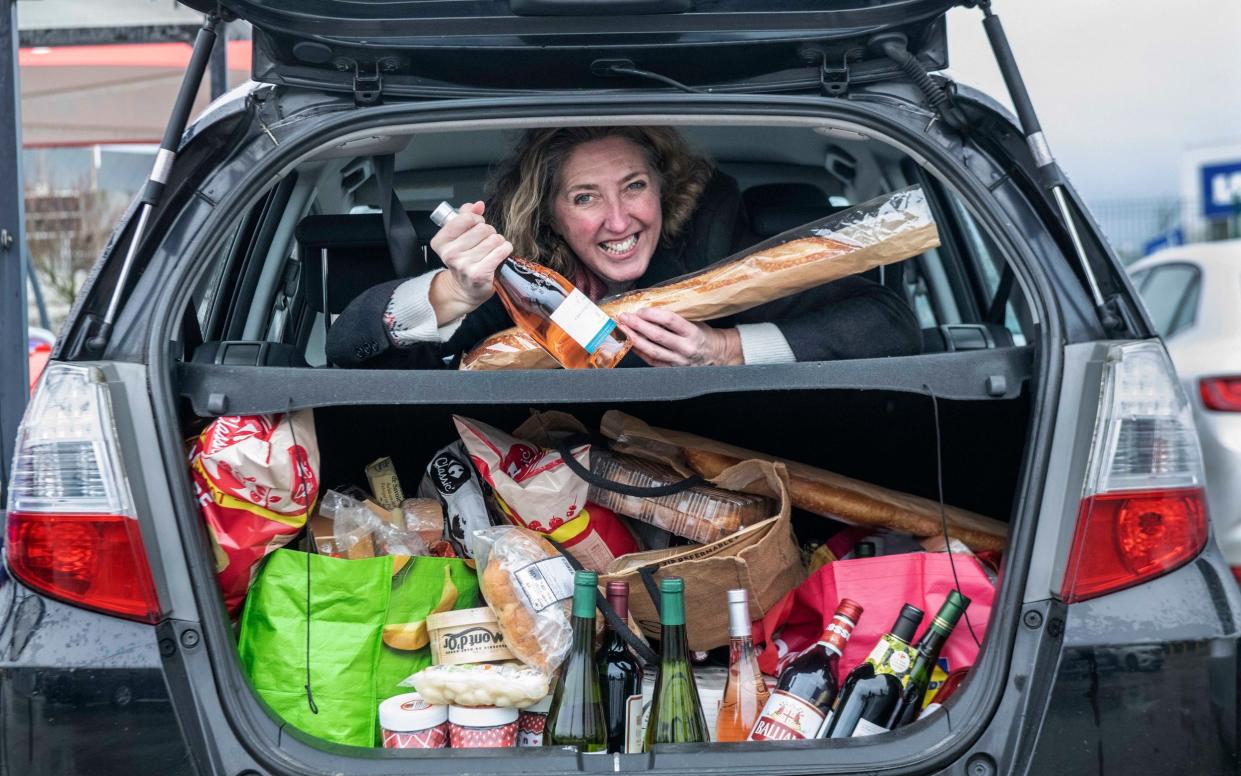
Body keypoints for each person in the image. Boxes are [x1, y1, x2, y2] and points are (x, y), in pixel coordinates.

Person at [326, 126, 921, 370]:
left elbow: (889, 326)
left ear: (663, 190)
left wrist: (727, 347)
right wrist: (453, 290)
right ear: (551, 215)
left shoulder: (720, 250)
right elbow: (347, 348)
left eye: (634, 187)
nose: (619, 219)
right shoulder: (519, 279)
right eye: (585, 198)